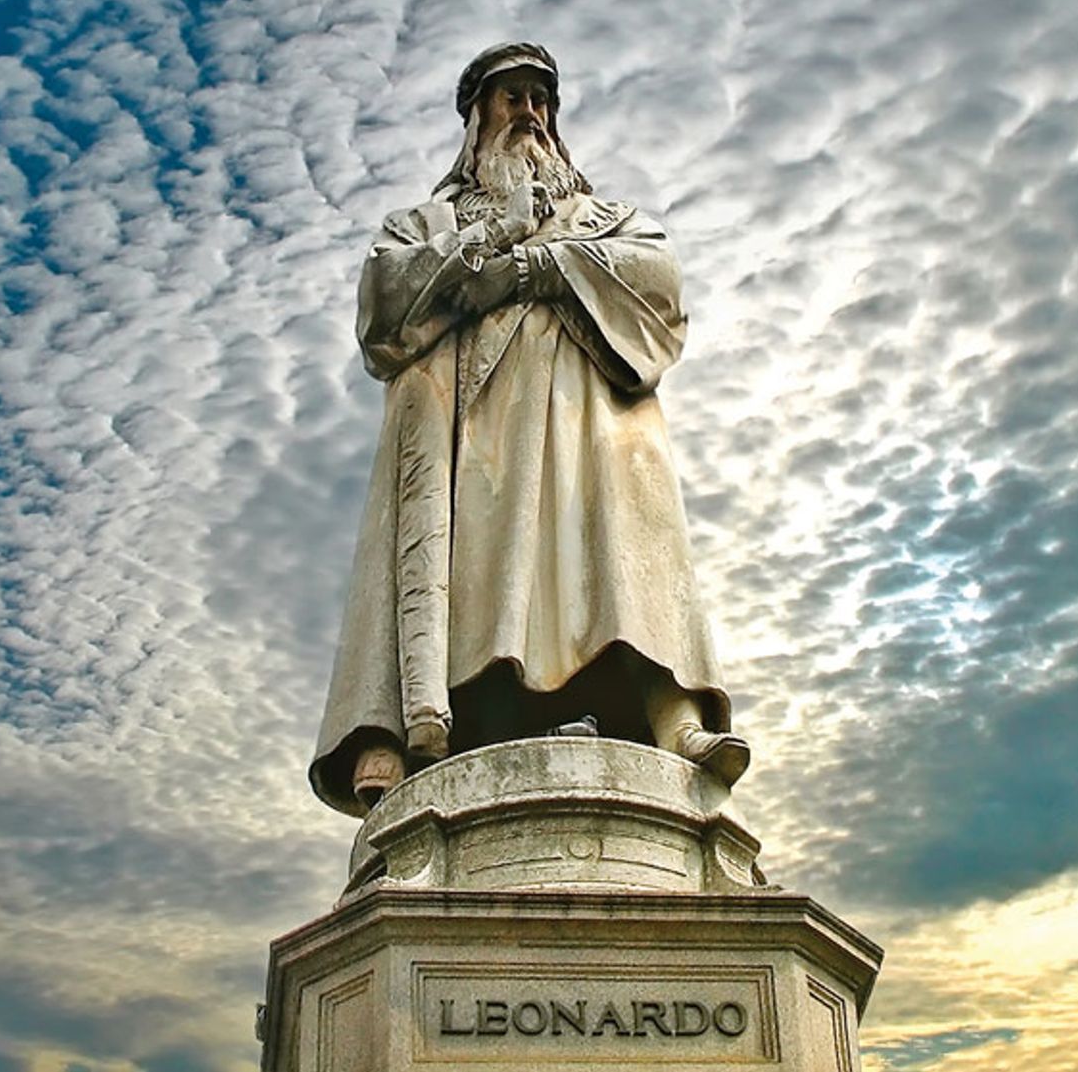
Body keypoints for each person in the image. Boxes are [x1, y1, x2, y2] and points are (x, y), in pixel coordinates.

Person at [310, 42, 749, 816]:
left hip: (587, 429)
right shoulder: (427, 223)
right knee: (478, 565)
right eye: (511, 98)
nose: (530, 113)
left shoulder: (601, 217)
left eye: (540, 99)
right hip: (472, 439)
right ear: (477, 118)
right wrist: (488, 239)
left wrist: (536, 268)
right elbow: (385, 306)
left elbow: (658, 283)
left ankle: (673, 713)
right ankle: (414, 723)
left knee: (624, 522)